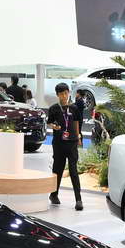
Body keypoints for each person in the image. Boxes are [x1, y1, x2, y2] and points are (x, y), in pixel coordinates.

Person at [45, 82, 84, 211]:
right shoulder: (54, 108)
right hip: (59, 143)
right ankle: (53, 195)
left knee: (73, 170)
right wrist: (54, 126)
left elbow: (77, 122)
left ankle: (78, 200)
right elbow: (49, 122)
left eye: (66, 93)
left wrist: (78, 136)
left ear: (68, 93)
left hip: (72, 143)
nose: (64, 96)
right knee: (58, 169)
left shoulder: (74, 108)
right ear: (57, 95)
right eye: (61, 94)